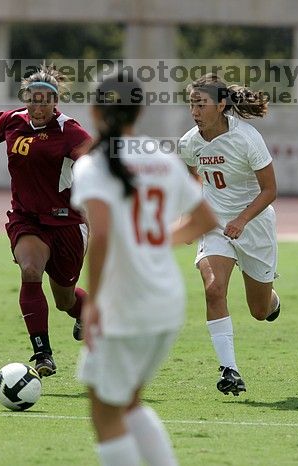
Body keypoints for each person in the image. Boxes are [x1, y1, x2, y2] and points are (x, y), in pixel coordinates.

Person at [71, 72, 217, 466]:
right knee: (129, 402)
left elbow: (99, 238)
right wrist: (155, 241)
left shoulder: (94, 164)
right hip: (166, 303)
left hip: (126, 305)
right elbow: (205, 219)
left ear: (96, 110)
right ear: (139, 110)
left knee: (105, 411)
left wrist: (93, 303)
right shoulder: (162, 158)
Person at [0, 65, 93, 377]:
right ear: (26, 99)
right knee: (30, 270)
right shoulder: (10, 121)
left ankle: (89, 312)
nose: (39, 106)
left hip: (67, 223)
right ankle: (42, 353)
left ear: (55, 102)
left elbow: (94, 161)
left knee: (64, 299)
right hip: (26, 219)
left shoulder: (70, 131)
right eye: (34, 99)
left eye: (46, 101)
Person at [179, 73, 281, 397]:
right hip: (215, 226)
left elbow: (270, 190)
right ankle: (229, 370)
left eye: (201, 104)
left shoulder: (247, 138)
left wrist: (242, 220)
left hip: (255, 226)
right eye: (191, 103)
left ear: (221, 105)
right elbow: (190, 180)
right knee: (213, 289)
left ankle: (272, 299)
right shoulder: (189, 143)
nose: (194, 111)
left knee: (259, 311)